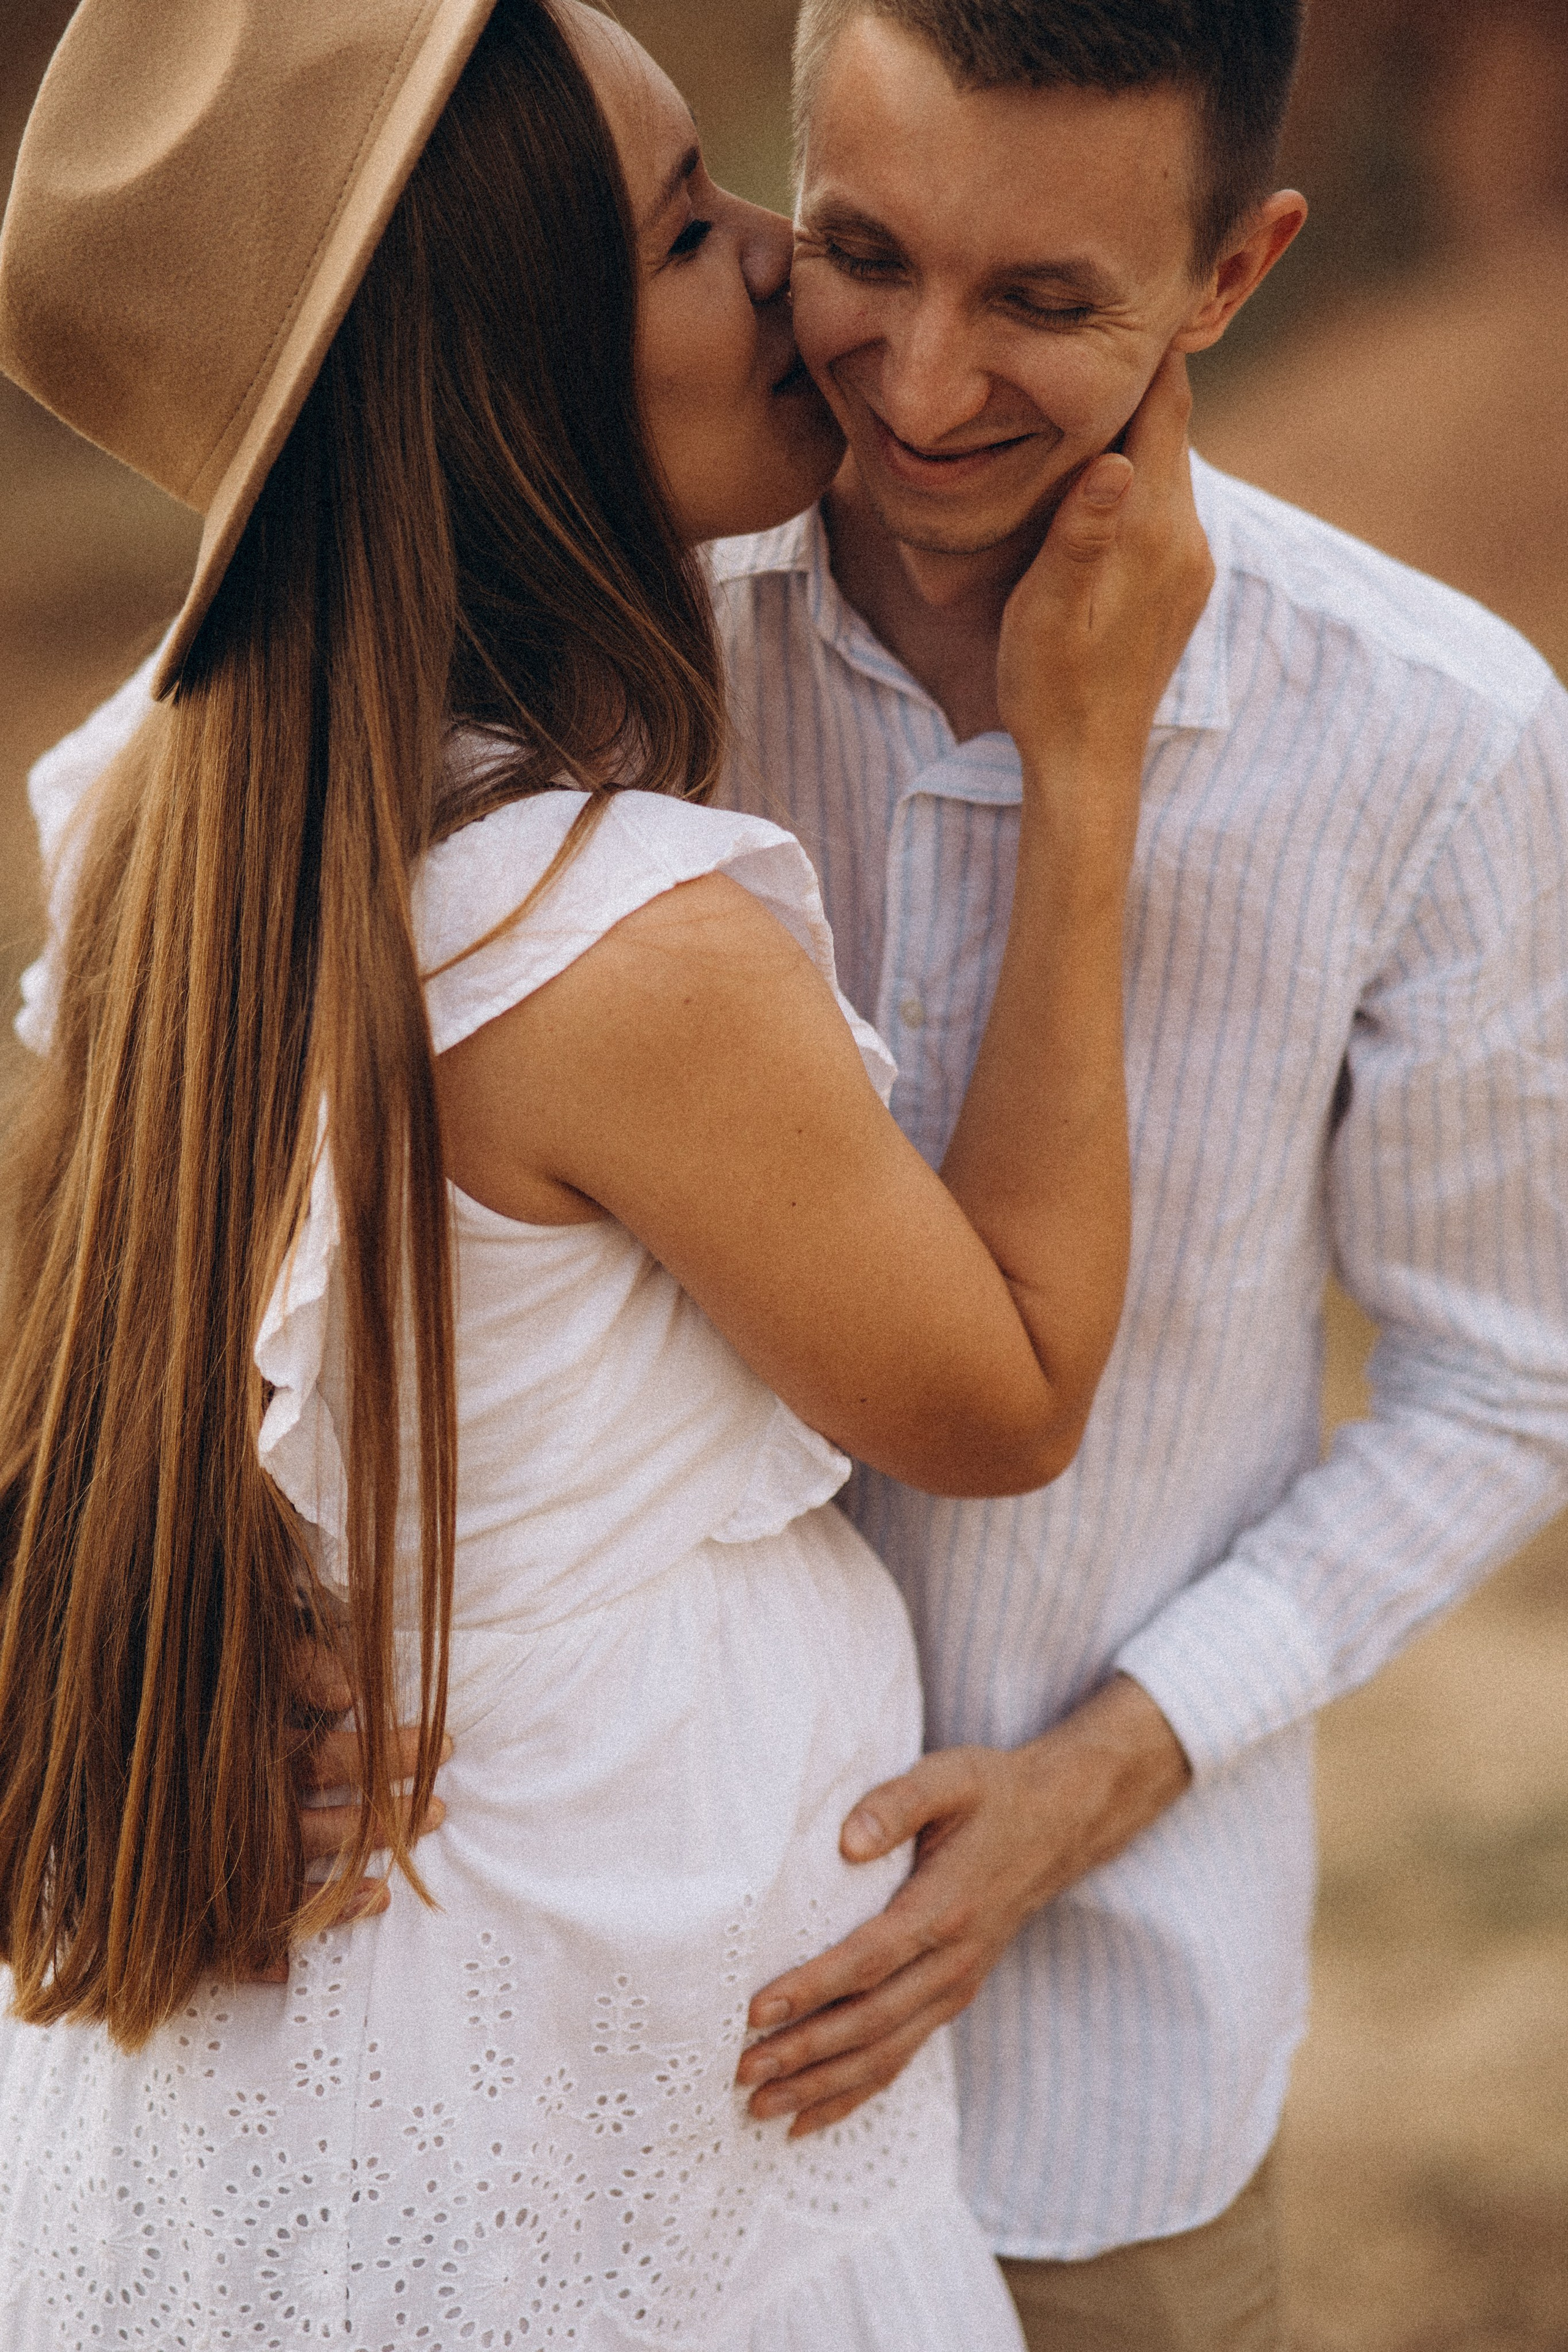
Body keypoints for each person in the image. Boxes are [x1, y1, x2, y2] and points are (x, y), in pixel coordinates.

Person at [0, 1, 1210, 2346]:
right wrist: (1084, 770)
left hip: (303, 2091)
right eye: (678, 231)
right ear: (509, 378)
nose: (779, 260)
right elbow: (1010, 1389)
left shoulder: (166, 809)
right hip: (551, 2089)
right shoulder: (606, 937)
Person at [691, 2, 1567, 2347]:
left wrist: (1102, 1774)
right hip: (607, 2055)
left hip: (1095, 2099)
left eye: (1045, 301)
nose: (922, 383)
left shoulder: (1438, 737)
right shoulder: (608, 627)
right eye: (866, 254)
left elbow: (1507, 1377)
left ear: (1233, 273)